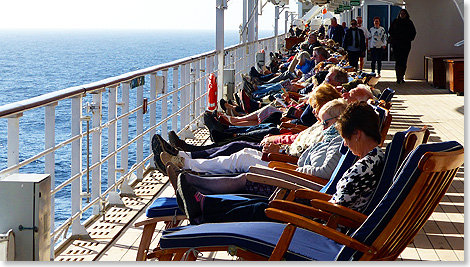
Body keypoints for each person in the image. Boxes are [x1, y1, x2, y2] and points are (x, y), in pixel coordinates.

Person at [174, 101, 385, 224]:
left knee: (261, 208)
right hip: (320, 207)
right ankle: (202, 202)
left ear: (357, 134)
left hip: (322, 222)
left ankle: (202, 206)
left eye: (346, 139)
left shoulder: (363, 167)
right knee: (260, 203)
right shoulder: (374, 159)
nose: (346, 146)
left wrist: (301, 196)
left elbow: (336, 207)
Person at [165, 99, 348, 197]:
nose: (322, 125)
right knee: (241, 149)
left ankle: (189, 168)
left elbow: (322, 171)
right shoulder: (330, 135)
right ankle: (188, 160)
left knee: (241, 155)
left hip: (290, 169)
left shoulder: (337, 140)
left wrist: (285, 156)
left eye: (325, 122)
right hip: (288, 162)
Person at [388, 9, 416, 84]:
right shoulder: (396, 22)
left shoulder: (409, 22)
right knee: (398, 60)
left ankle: (402, 76)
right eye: (401, 13)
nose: (402, 15)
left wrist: (408, 38)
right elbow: (390, 31)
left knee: (404, 61)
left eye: (404, 13)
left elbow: (413, 32)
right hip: (396, 44)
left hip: (405, 44)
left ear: (406, 14)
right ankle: (398, 77)